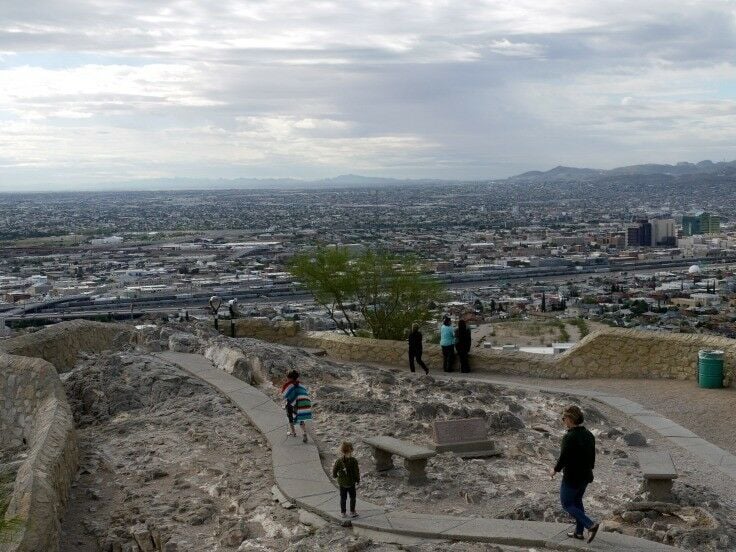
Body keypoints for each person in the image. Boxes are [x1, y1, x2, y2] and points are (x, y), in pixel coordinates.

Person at [551, 405, 600, 543]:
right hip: (585, 476)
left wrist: (554, 470)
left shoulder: (569, 437)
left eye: (563, 418)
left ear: (570, 419)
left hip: (572, 477)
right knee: (577, 502)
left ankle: (590, 525)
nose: (563, 421)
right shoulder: (589, 434)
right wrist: (588, 469)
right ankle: (579, 533)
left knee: (566, 503)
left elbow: (563, 457)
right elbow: (592, 457)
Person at [282, 370, 312, 443]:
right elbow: (305, 393)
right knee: (300, 418)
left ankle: (293, 432)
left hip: (293, 403)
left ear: (289, 377)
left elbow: (285, 394)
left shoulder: (289, 385)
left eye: (287, 377)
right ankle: (304, 433)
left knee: (290, 416)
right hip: (303, 403)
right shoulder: (300, 385)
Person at [332, 441, 360, 518]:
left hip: (342, 483)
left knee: (343, 498)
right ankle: (352, 512)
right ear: (351, 450)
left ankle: (343, 513)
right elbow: (356, 471)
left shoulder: (339, 461)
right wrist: (357, 479)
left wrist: (335, 476)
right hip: (351, 482)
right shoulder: (353, 461)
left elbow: (334, 470)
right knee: (352, 497)